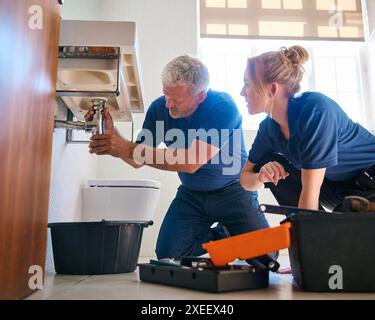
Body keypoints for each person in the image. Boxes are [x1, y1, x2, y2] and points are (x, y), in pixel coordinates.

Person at [87, 55, 270, 259]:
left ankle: (231, 232)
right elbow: (137, 158)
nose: (169, 104)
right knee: (169, 254)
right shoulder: (159, 109)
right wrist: (114, 136)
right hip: (192, 195)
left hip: (234, 191)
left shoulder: (222, 107)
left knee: (266, 255)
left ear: (200, 96)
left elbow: (191, 162)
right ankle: (224, 234)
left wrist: (124, 148)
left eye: (177, 100)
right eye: (166, 95)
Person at [240, 45, 375, 211]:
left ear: (273, 89)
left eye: (247, 84)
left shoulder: (316, 111)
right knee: (267, 163)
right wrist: (261, 176)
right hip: (337, 187)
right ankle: (304, 225)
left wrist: (307, 232)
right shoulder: (268, 129)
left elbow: (310, 192)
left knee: (343, 219)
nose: (242, 92)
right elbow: (245, 179)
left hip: (369, 181)